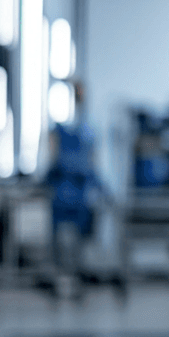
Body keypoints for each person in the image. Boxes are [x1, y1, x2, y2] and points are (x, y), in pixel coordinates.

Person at [44, 81, 105, 299]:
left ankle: (75, 279)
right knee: (59, 241)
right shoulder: (59, 131)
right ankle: (61, 278)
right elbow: (53, 161)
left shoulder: (87, 130)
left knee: (78, 241)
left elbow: (92, 164)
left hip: (77, 194)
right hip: (64, 193)